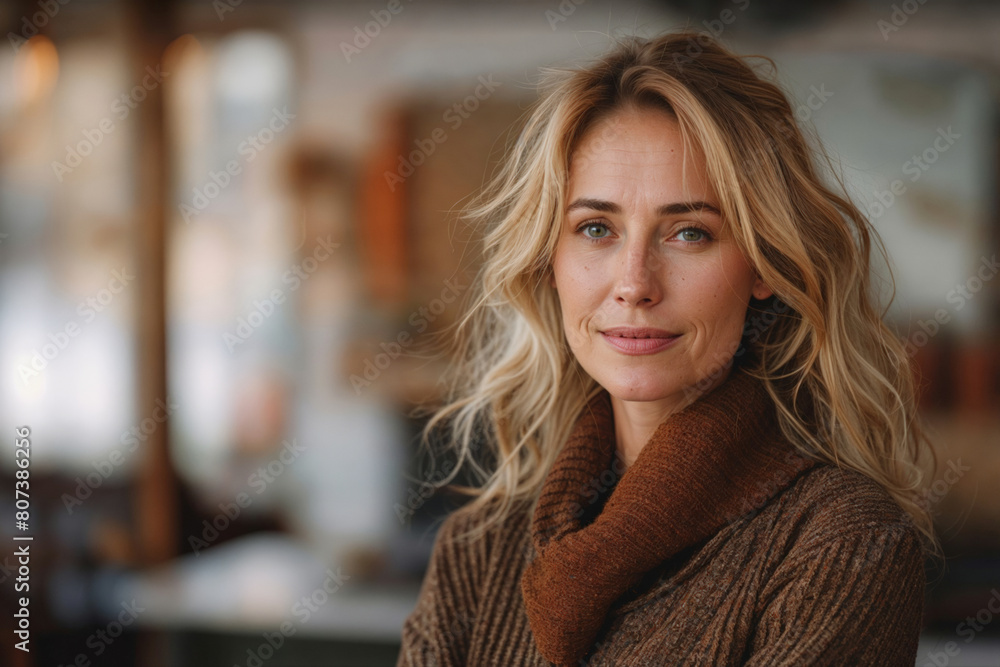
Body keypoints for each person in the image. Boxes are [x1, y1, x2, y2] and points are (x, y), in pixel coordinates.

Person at [397, 30, 941, 667]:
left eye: (689, 233)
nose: (634, 284)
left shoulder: (842, 547)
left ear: (764, 263)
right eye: (595, 229)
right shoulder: (476, 553)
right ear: (550, 260)